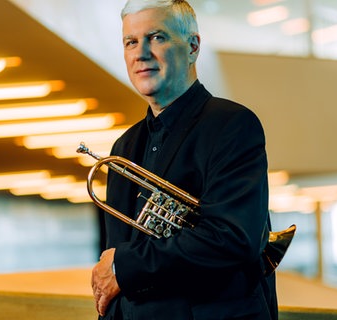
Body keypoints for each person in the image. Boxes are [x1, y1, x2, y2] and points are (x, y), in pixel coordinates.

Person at [91, 0, 278, 319]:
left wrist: (126, 265)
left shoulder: (232, 125)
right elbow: (113, 268)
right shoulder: (123, 147)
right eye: (131, 42)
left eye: (157, 37)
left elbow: (231, 238)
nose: (141, 53)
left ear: (193, 47)